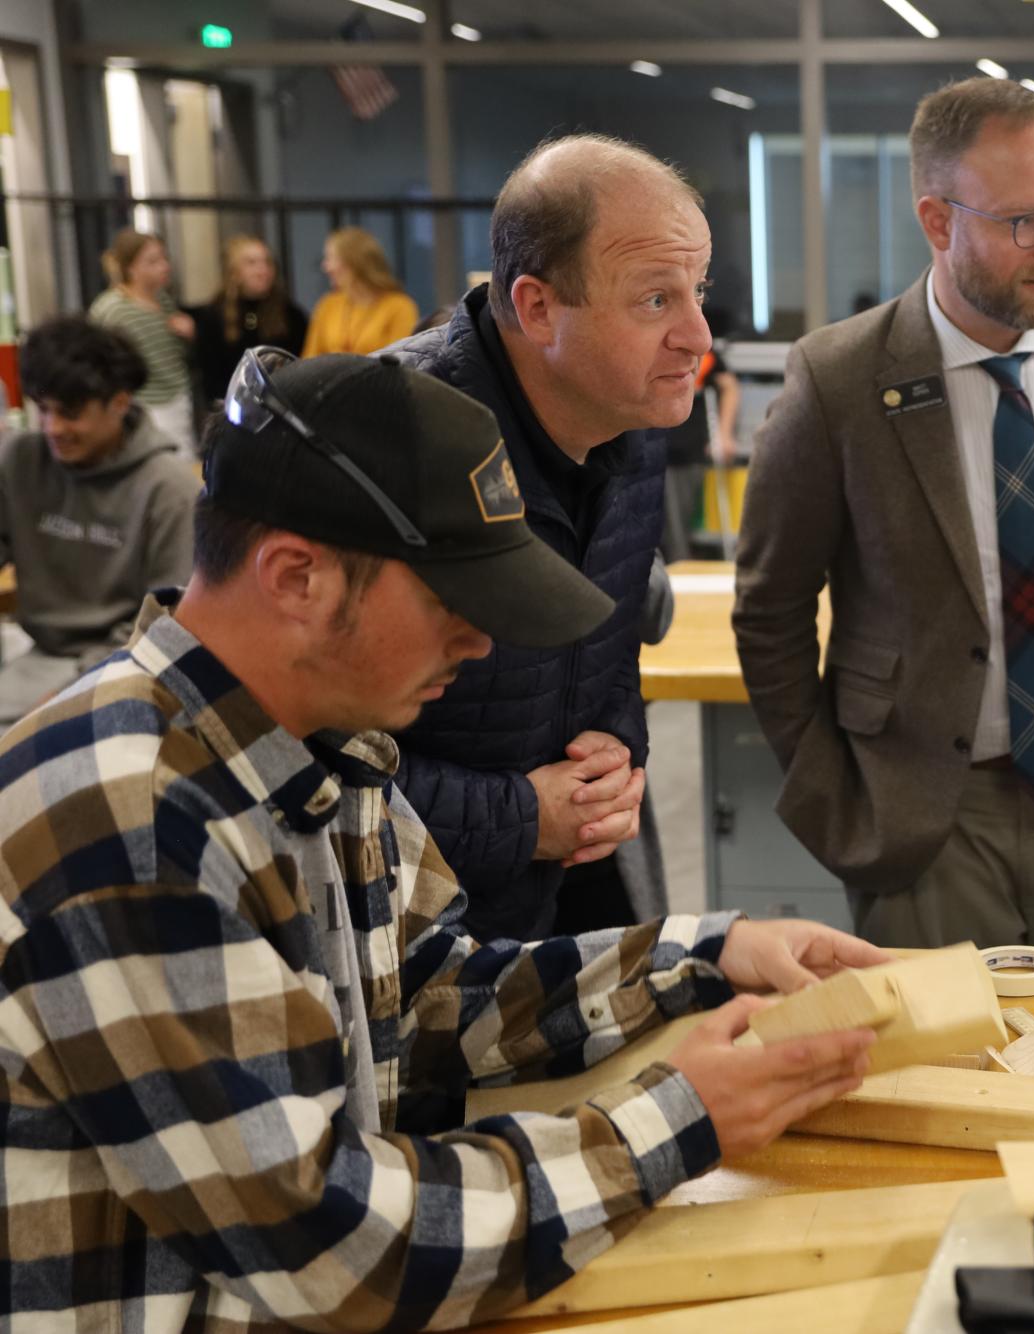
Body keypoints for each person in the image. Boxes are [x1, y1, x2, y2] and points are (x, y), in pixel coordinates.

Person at [0, 348, 887, 1328]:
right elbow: (331, 1246)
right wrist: (676, 1119)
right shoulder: (126, 818)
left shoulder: (327, 750)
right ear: (296, 576)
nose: (479, 644)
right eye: (451, 605)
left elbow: (432, 997)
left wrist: (709, 955)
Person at [735, 77, 1034, 951]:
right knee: (946, 1079)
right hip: (926, 809)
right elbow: (770, 609)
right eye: (1023, 223)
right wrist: (833, 785)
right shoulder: (840, 379)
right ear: (938, 221)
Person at [383, 133, 691, 942]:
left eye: (699, 291)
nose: (697, 336)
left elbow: (607, 635)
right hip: (396, 940)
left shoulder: (630, 417)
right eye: (656, 300)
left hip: (554, 905)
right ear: (537, 306)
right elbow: (298, 754)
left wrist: (615, 754)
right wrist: (521, 817)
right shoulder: (388, 441)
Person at [0, 315, 199, 723]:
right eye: (43, 409)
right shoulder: (20, 460)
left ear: (120, 402)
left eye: (70, 413)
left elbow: (167, 627)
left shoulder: (168, 489)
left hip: (133, 668)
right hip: (42, 658)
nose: (53, 428)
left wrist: (73, 693)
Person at [87, 228, 197, 455]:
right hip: (143, 403)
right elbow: (97, 358)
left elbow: (174, 353)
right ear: (131, 268)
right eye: (152, 261)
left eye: (164, 258)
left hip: (176, 397)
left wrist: (188, 333)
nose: (164, 266)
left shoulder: (162, 299)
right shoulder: (113, 308)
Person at [189, 234, 308, 405]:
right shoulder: (214, 316)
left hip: (283, 407)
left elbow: (301, 364)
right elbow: (210, 375)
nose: (262, 270)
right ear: (233, 271)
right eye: (251, 263)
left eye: (267, 262)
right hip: (230, 409)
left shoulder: (290, 314)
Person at [659, 322, 742, 561]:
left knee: (675, 527)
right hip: (646, 445)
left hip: (683, 449)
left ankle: (678, 568)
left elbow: (729, 386)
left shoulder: (701, 349)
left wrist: (724, 435)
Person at [303, 225, 420, 356]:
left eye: (330, 258)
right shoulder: (328, 304)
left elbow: (401, 360)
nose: (325, 267)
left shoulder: (399, 306)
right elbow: (310, 360)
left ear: (354, 262)